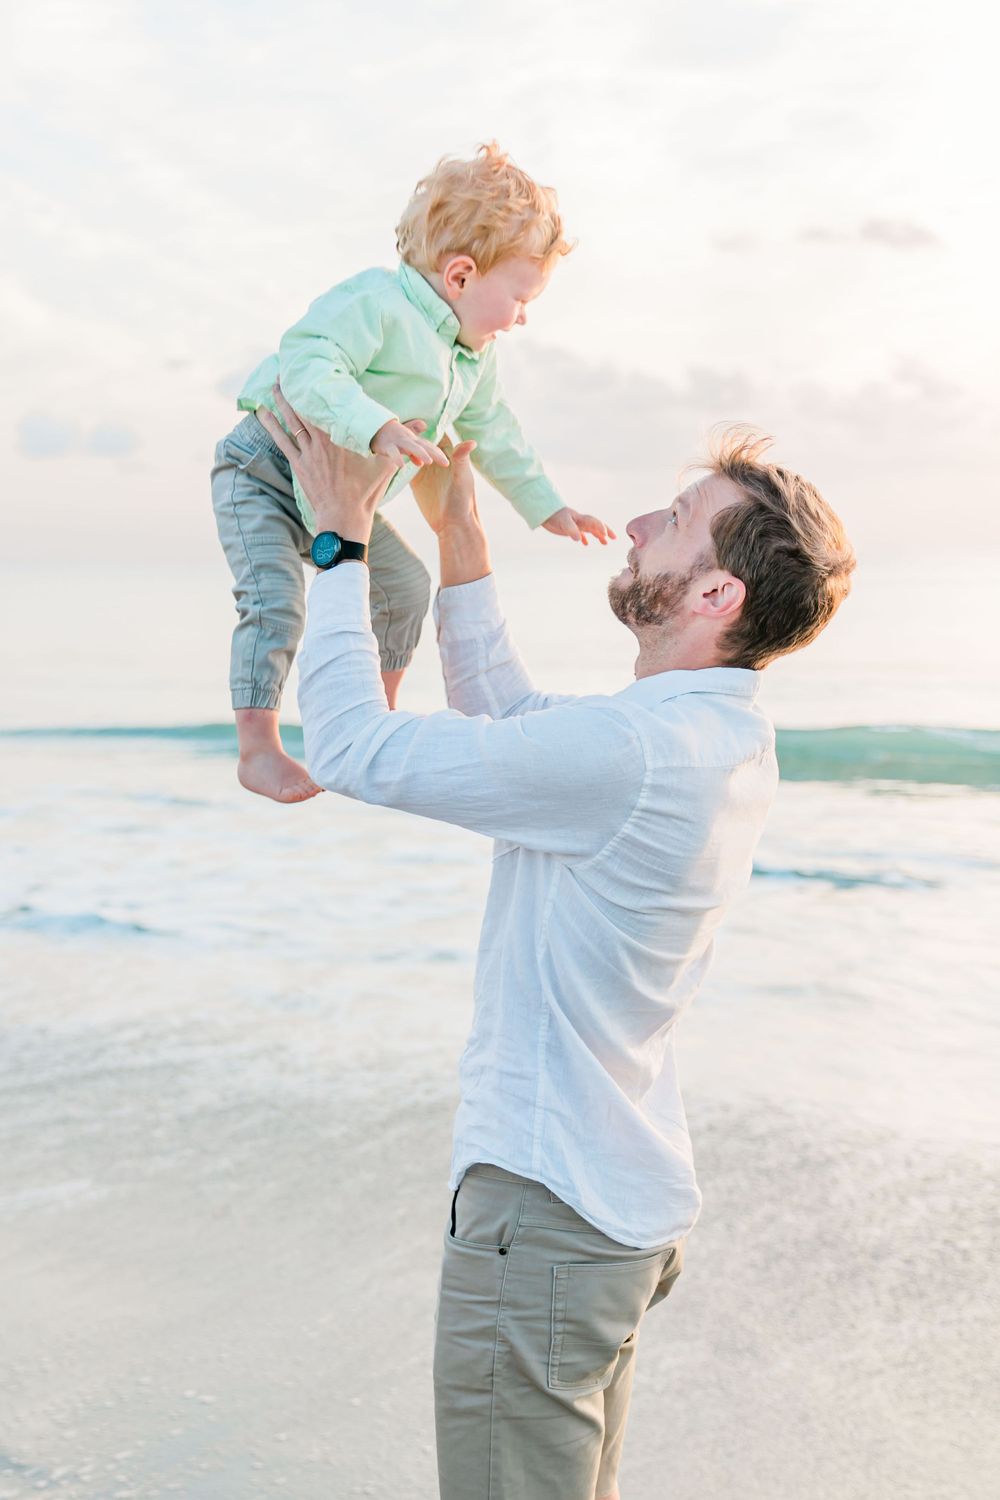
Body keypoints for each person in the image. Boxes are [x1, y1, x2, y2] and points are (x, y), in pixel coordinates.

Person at [254, 384, 856, 1500]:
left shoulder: (638, 754)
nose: (633, 528)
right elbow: (516, 728)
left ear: (716, 591)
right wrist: (461, 535)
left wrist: (336, 542)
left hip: (546, 1217)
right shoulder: (703, 731)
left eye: (672, 520)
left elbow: (349, 748)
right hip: (606, 1215)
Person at [210, 142, 613, 805]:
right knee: (275, 603)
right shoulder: (378, 303)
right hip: (263, 469)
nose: (523, 317)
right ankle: (257, 745)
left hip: (334, 505)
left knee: (404, 587)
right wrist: (374, 426)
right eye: (519, 297)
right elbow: (308, 357)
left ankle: (372, 721)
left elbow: (496, 433)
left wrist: (547, 506)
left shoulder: (470, 362)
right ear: (460, 276)